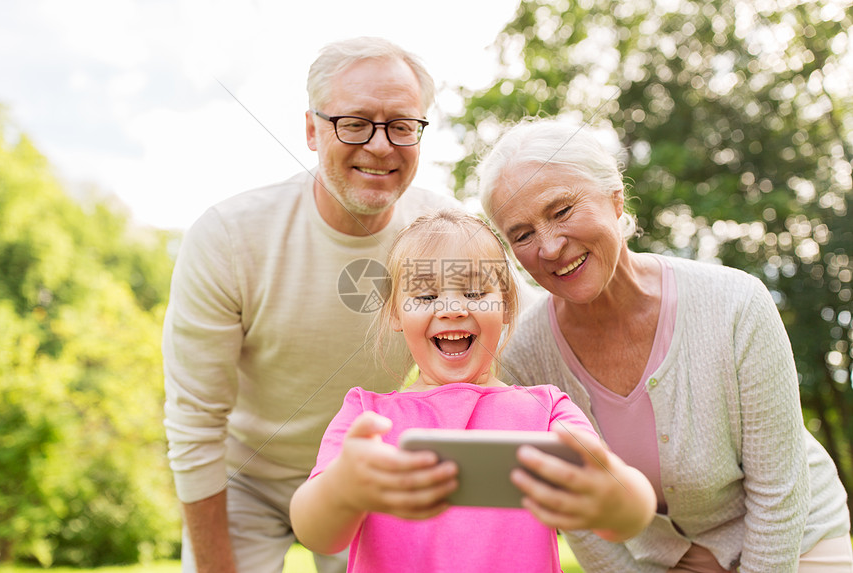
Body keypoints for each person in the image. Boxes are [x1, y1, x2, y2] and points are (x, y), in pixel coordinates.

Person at [475, 117, 853, 572]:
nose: (550, 246)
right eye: (523, 234)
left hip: (795, 542)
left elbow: (780, 491)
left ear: (615, 199)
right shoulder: (522, 356)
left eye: (561, 211)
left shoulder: (736, 303)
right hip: (664, 560)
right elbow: (578, 514)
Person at [162, 37, 461, 573]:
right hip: (246, 480)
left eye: (400, 124)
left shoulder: (445, 235)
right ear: (310, 130)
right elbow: (195, 420)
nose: (379, 145)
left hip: (368, 470)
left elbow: (515, 335)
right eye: (353, 122)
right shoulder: (230, 237)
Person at [289, 209, 657, 572]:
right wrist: (342, 488)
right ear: (395, 315)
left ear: (506, 306)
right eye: (427, 297)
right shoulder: (366, 418)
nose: (451, 309)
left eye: (475, 292)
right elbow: (316, 535)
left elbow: (628, 516)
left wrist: (612, 493)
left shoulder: (547, 412)